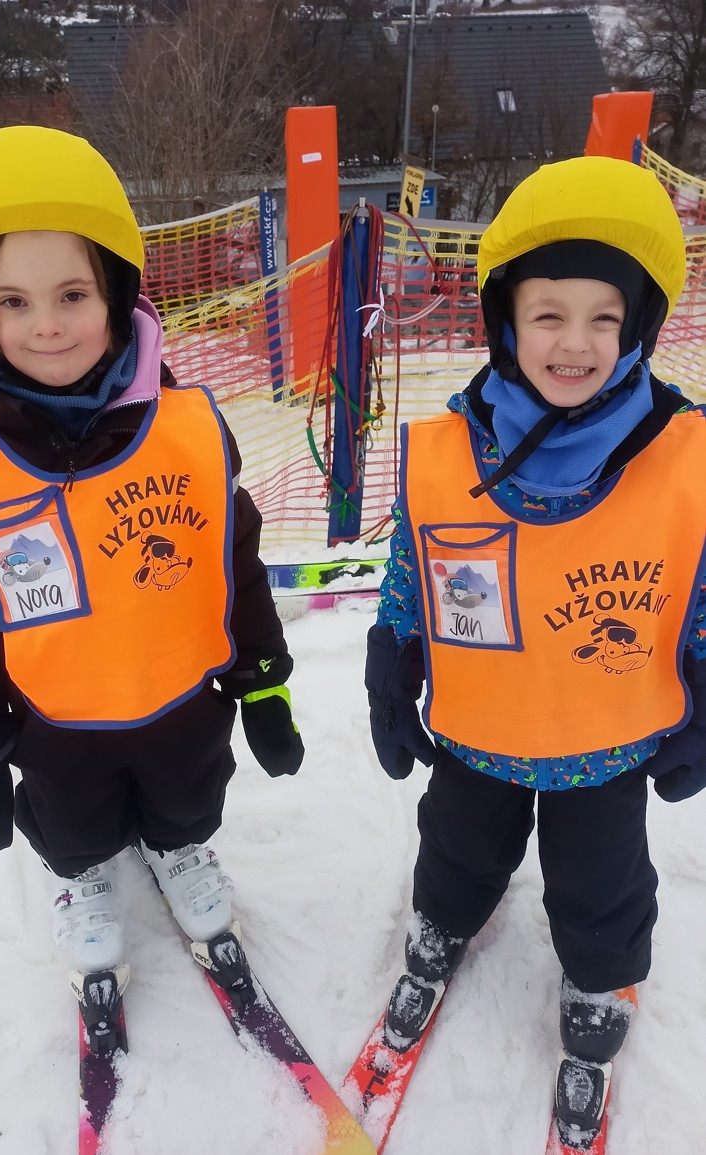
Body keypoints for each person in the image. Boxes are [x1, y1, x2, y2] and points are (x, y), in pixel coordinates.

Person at [365, 155, 706, 1148]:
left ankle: (599, 985)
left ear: (637, 328)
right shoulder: (446, 453)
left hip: (607, 744)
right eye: (548, 313)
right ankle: (439, 931)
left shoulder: (682, 455)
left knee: (601, 886)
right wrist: (391, 661)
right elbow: (411, 568)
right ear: (505, 321)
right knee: (454, 853)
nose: (576, 342)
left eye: (605, 317)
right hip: (477, 733)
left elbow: (697, 582)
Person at [0, 125, 304, 987]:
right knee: (73, 823)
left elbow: (234, 564)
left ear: (117, 293)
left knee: (187, 800)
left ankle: (178, 849)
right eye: (13, 301)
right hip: (57, 720)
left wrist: (264, 679)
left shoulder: (190, 430)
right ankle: (83, 876)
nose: (47, 325)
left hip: (181, 701)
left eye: (72, 294)